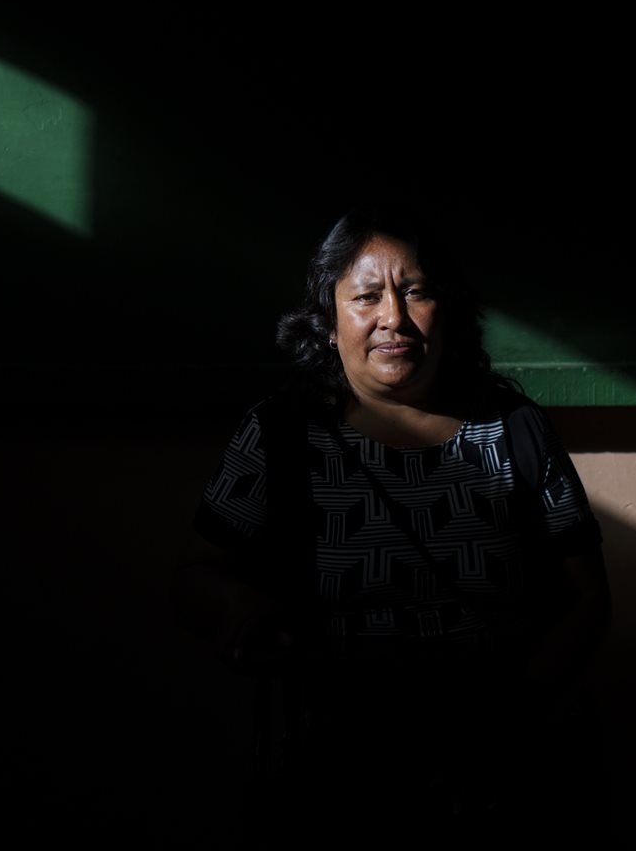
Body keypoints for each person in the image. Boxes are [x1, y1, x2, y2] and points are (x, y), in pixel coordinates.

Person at [172, 206, 611, 843]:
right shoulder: (282, 436)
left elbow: (588, 600)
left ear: (448, 310)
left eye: (416, 293)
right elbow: (194, 573)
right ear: (327, 322)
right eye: (367, 296)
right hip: (336, 762)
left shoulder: (514, 429)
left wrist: (508, 721)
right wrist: (237, 606)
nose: (394, 320)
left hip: (502, 755)